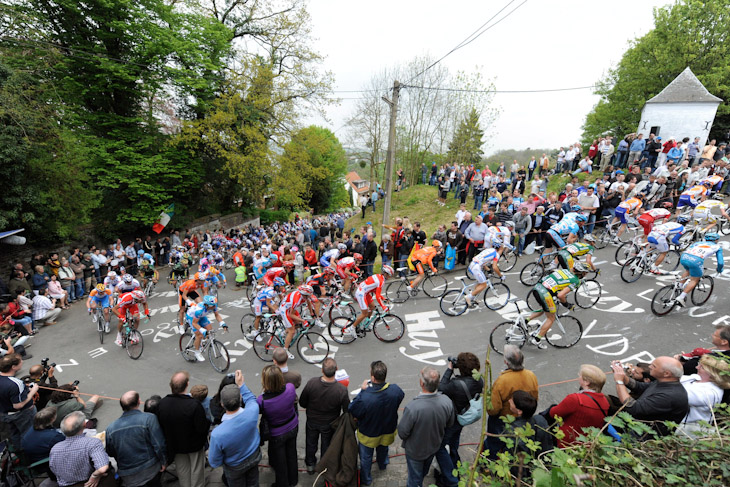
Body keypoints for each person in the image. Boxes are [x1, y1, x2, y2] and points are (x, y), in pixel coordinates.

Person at [349, 361, 404, 486]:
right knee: (383, 449)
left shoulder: (365, 397)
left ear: (372, 377)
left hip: (369, 434)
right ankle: (382, 464)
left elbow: (353, 409)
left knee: (366, 458)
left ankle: (366, 479)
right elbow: (400, 396)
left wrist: (362, 391)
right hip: (388, 430)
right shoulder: (395, 390)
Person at [398, 367, 454, 487]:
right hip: (433, 446)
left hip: (415, 451)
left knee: (414, 478)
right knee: (423, 470)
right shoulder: (447, 401)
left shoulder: (413, 407)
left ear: (421, 383)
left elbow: (402, 433)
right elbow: (450, 424)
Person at [434, 353, 483, 487]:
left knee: (440, 447)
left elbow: (441, 387)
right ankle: (456, 465)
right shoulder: (480, 380)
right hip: (464, 416)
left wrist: (450, 369)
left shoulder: (456, 384)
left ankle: (451, 479)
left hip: (453, 419)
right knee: (454, 441)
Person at [610, 356, 689, 436]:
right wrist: (621, 374)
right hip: (638, 427)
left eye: (654, 366)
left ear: (666, 373)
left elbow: (633, 408)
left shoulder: (669, 396)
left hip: (643, 436)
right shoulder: (663, 382)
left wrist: (619, 381)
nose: (650, 367)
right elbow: (638, 386)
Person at [157, 371, 210, 487]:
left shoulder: (163, 404)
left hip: (176, 446)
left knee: (182, 471)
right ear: (187, 385)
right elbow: (202, 428)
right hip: (194, 445)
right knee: (196, 470)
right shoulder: (194, 405)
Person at [208, 371, 262, 486]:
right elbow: (251, 398)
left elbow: (214, 461)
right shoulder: (252, 411)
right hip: (254, 456)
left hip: (234, 465)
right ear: (240, 398)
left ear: (222, 404)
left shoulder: (218, 434)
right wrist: (241, 385)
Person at [485, 345, 538, 458]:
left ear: (506, 362)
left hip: (503, 420)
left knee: (494, 442)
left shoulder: (502, 380)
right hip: (523, 418)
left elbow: (493, 409)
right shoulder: (531, 376)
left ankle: (491, 463)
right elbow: (534, 398)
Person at [106, 391, 167, 487]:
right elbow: (158, 444)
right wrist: (163, 461)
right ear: (139, 401)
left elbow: (110, 452)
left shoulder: (110, 429)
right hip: (150, 469)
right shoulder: (149, 419)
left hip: (127, 475)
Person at [299, 358, 350, 474]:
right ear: (336, 370)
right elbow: (346, 409)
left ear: (322, 370)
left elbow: (302, 402)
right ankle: (324, 466)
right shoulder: (341, 390)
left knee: (310, 443)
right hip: (330, 423)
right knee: (327, 445)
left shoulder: (312, 383)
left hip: (312, 420)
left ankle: (310, 465)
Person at [527, 265, 588, 349]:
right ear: (582, 273)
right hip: (545, 293)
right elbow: (561, 295)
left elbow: (553, 276)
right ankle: (537, 339)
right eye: (586, 273)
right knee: (551, 318)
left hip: (537, 288)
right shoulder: (575, 280)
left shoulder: (565, 270)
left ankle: (526, 320)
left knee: (545, 309)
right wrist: (567, 304)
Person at [548, 365, 610, 448]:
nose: (578, 377)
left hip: (567, 442)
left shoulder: (575, 399)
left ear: (586, 382)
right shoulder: (605, 402)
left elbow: (553, 413)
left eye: (580, 376)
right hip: (587, 444)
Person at [258, 364, 299, 487]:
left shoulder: (262, 400)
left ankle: (282, 483)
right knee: (292, 454)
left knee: (280, 462)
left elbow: (259, 410)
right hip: (293, 426)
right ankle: (293, 480)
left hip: (277, 433)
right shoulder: (290, 388)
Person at [50, 411, 114, 487]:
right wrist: (94, 476)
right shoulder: (92, 443)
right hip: (91, 483)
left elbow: (54, 469)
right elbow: (102, 468)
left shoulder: (55, 448)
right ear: (84, 425)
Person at [676, 354, 730, 437]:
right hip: (680, 426)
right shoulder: (696, 378)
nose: (697, 367)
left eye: (701, 367)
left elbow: (677, 396)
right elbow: (672, 379)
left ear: (711, 373)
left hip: (690, 432)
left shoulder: (711, 392)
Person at [0, 354, 39, 448]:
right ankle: (31, 454)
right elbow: (18, 405)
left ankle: (19, 452)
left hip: (4, 413)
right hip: (21, 414)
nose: (22, 362)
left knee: (14, 434)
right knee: (29, 434)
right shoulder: (16, 384)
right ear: (13, 367)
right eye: (20, 361)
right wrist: (33, 391)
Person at [675, 233, 723, 307]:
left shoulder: (698, 242)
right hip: (696, 261)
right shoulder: (717, 247)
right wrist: (719, 270)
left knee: (688, 271)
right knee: (695, 279)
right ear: (716, 240)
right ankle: (681, 297)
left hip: (684, 257)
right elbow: (720, 262)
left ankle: (679, 286)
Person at [21, 407, 65, 476]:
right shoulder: (54, 437)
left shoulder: (32, 429)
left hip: (34, 458)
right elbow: (66, 447)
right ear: (52, 419)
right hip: (45, 463)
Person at [184, 295, 228, 362]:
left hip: (201, 316)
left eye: (215, 305)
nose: (214, 306)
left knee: (210, 330)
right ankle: (197, 352)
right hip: (192, 317)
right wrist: (202, 329)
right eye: (213, 305)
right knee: (199, 335)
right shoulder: (199, 310)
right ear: (207, 305)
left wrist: (222, 323)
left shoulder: (213, 306)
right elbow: (194, 323)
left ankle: (201, 342)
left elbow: (217, 315)